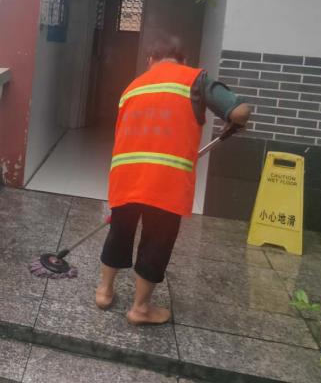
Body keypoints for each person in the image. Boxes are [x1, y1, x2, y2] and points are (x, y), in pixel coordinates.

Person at [95, 35, 251, 325]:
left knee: (119, 231)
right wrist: (237, 119)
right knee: (157, 240)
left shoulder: (132, 86)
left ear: (150, 60)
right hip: (166, 179)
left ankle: (104, 292)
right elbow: (239, 110)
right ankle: (140, 309)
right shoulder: (195, 79)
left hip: (125, 175)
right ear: (183, 60)